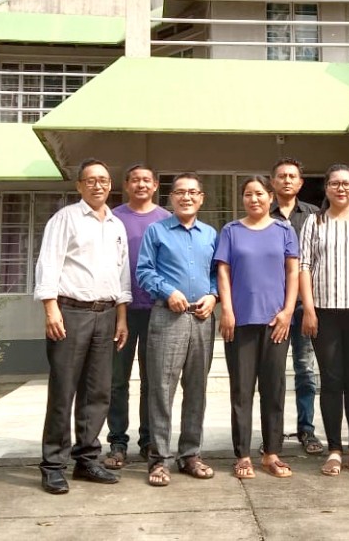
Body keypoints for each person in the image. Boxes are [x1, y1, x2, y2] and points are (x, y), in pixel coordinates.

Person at [34, 158, 130, 494]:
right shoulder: (66, 218)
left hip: (106, 315)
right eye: (91, 180)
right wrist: (51, 309)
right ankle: (53, 465)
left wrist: (121, 316)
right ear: (79, 186)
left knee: (98, 391)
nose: (98, 185)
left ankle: (88, 459)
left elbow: (122, 274)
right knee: (64, 389)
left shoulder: (116, 224)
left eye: (104, 180)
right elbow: (49, 263)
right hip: (70, 313)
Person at [136, 173, 218, 487]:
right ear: (171, 198)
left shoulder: (210, 233)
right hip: (167, 316)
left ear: (201, 198)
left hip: (202, 317)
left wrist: (213, 295)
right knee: (161, 390)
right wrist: (167, 291)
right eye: (180, 192)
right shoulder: (156, 231)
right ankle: (159, 460)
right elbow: (144, 270)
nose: (186, 197)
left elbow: (217, 272)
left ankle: (190, 454)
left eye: (193, 192)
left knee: (196, 388)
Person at [215, 175, 299, 479]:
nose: (254, 199)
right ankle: (243, 454)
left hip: (276, 322)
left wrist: (288, 311)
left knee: (274, 390)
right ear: (242, 199)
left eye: (260, 194)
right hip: (239, 322)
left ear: (270, 197)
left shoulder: (284, 230)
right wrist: (226, 310)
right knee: (242, 391)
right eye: (248, 194)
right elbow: (223, 273)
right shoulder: (231, 231)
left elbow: (293, 272)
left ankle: (272, 453)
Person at [299, 165, 349, 477]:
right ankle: (334, 449)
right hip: (325, 312)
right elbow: (304, 265)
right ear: (326, 188)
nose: (341, 189)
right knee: (331, 381)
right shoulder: (313, 222)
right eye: (334, 183)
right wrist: (308, 309)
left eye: (346, 183)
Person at [105, 163, 170, 469]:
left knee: (152, 380)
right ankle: (118, 442)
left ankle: (149, 441)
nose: (141, 184)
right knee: (117, 379)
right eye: (135, 180)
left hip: (158, 311)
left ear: (155, 185)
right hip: (121, 312)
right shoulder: (113, 218)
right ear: (126, 185)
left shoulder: (167, 220)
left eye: (147, 180)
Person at [269, 157, 323, 455]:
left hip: (305, 305)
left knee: (305, 370)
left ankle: (307, 429)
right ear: (273, 181)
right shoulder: (264, 213)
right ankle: (272, 432)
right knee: (273, 373)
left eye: (293, 176)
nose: (287, 180)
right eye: (281, 176)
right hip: (272, 307)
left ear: (301, 183)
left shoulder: (315, 215)